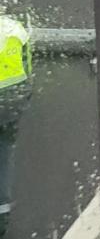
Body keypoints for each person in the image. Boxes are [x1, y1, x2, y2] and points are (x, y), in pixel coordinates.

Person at [0, 16, 30, 236]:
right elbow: (27, 69)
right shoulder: (14, 27)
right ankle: (2, 215)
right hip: (11, 103)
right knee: (4, 154)